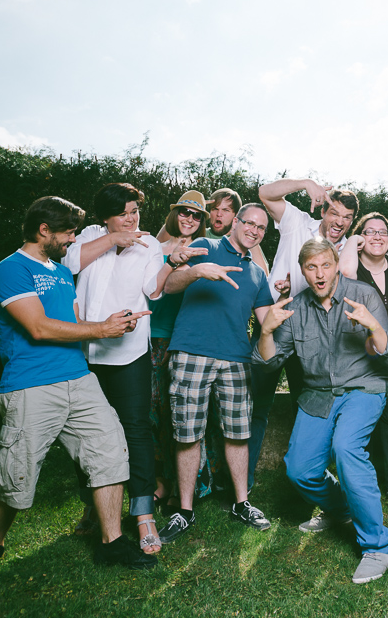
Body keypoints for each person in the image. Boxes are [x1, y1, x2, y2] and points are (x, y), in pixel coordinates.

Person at [0, 196, 156, 581]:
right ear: (43, 230)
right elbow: (38, 327)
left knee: (110, 449)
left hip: (79, 378)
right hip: (32, 385)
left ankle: (112, 541)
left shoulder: (62, 272)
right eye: (67, 232)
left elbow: (76, 322)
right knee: (16, 469)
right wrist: (100, 329)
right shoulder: (11, 270)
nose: (73, 239)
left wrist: (113, 323)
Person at [254, 238, 388, 584]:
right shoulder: (296, 307)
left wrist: (374, 327)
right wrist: (267, 330)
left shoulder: (363, 295)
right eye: (311, 268)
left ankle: (377, 546)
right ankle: (340, 509)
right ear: (303, 271)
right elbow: (265, 365)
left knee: (347, 449)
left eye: (325, 265)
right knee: (299, 470)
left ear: (336, 264)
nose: (319, 275)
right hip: (318, 394)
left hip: (363, 388)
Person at [157, 203, 276, 543]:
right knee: (186, 433)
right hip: (192, 352)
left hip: (237, 359)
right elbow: (169, 287)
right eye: (249, 223)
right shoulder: (206, 247)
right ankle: (184, 510)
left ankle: (242, 503)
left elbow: (267, 322)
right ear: (235, 222)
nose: (254, 230)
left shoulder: (257, 273)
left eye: (261, 228)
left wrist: (283, 311)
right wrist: (198, 271)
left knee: (238, 433)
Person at [62, 183, 167, 554]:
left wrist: (173, 263)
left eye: (135, 211)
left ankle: (143, 515)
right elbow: (70, 264)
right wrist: (113, 238)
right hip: (85, 354)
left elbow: (153, 290)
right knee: (86, 435)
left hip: (129, 354)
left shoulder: (149, 243)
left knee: (136, 430)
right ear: (105, 217)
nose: (131, 218)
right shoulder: (89, 236)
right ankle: (95, 507)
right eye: (123, 212)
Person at [247, 179, 359, 488]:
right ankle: (241, 482)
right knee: (257, 402)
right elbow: (265, 194)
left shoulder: (346, 249)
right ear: (323, 210)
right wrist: (305, 183)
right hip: (273, 322)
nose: (340, 222)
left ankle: (305, 479)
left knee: (309, 404)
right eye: (335, 213)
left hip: (312, 334)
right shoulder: (297, 222)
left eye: (347, 217)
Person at [339, 212, 388, 511]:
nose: (377, 237)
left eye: (383, 232)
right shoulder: (353, 267)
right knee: (362, 424)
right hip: (363, 359)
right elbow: (344, 276)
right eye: (369, 232)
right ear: (359, 239)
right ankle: (362, 485)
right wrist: (353, 242)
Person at [147, 191, 213, 509]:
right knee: (154, 413)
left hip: (186, 341)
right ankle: (161, 480)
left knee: (181, 415)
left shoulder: (205, 251)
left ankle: (185, 485)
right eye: (184, 212)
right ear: (174, 215)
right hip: (153, 338)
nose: (189, 218)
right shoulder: (152, 249)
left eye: (196, 215)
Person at [156, 188, 269, 273]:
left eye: (226, 210)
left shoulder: (244, 240)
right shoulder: (197, 232)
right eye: (215, 209)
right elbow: (160, 243)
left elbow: (263, 276)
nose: (219, 214)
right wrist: (193, 206)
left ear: (236, 216)